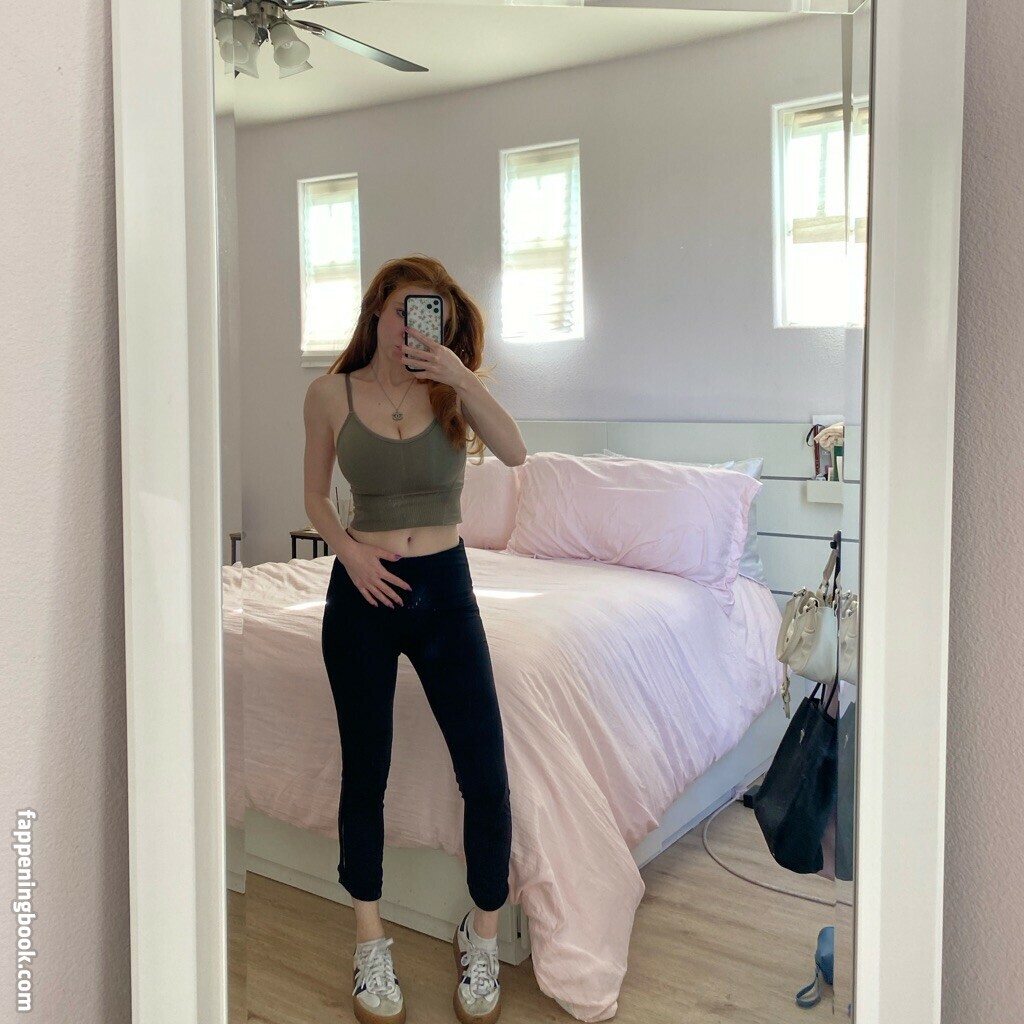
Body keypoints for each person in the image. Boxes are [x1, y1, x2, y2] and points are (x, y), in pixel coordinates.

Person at [303, 254, 527, 1024]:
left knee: (485, 773)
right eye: (404, 310)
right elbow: (314, 495)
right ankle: (369, 940)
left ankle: (482, 933)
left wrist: (462, 377)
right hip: (362, 590)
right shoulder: (329, 394)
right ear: (377, 310)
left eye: (429, 314)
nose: (412, 326)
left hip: (444, 590)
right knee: (365, 771)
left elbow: (516, 451)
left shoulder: (449, 389)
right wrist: (349, 552)